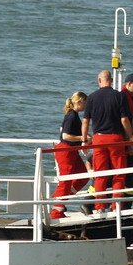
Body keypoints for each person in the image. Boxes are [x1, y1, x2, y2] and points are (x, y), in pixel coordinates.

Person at [81, 70, 133, 213]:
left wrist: (84, 141)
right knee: (119, 173)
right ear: (111, 80)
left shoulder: (92, 98)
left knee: (100, 173)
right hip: (115, 139)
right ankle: (116, 204)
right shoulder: (119, 96)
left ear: (99, 80)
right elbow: (124, 120)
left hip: (98, 138)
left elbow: (85, 121)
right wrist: (130, 138)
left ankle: (100, 206)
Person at [50, 92, 90, 220]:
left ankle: (60, 197)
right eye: (85, 103)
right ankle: (56, 211)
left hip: (72, 150)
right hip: (65, 151)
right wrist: (83, 138)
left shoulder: (73, 115)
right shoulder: (72, 116)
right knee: (66, 181)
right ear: (79, 102)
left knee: (83, 175)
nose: (86, 106)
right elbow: (66, 136)